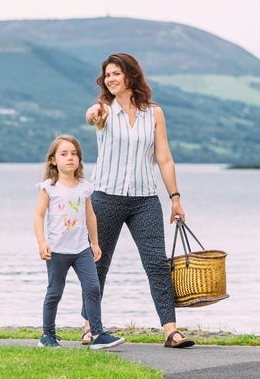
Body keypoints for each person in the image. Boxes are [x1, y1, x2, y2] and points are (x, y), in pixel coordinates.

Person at [84, 52, 196, 349]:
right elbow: (91, 116)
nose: (110, 79)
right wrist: (94, 116)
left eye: (115, 74)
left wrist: (175, 198)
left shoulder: (153, 113)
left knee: (157, 264)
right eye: (107, 75)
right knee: (97, 263)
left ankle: (171, 331)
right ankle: (89, 327)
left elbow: (164, 158)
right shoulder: (103, 109)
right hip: (106, 197)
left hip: (145, 199)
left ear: (130, 76)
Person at [33, 134, 126, 350]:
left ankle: (97, 334)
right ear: (53, 160)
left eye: (74, 154)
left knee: (93, 287)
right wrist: (41, 243)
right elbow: (38, 216)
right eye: (64, 154)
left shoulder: (85, 187)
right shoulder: (49, 187)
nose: (70, 158)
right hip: (57, 250)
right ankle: (47, 335)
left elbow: (90, 216)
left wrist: (94, 243)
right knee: (55, 292)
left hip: (81, 249)